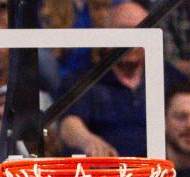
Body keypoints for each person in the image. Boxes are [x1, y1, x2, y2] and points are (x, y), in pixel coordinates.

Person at [58, 1, 150, 157]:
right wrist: (87, 140)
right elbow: (69, 124)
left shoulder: (166, 75)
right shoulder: (85, 79)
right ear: (106, 35)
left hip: (161, 170)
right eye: (123, 32)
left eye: (138, 32)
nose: (130, 42)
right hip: (104, 170)